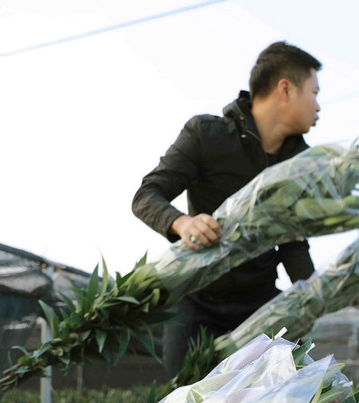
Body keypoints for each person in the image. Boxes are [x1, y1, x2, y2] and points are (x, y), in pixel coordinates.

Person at [132, 41, 322, 378]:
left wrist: (317, 290)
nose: (318, 106)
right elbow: (147, 196)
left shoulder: (300, 163)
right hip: (194, 302)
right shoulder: (206, 135)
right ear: (285, 89)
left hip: (260, 308)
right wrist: (182, 222)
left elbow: (293, 241)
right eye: (314, 92)